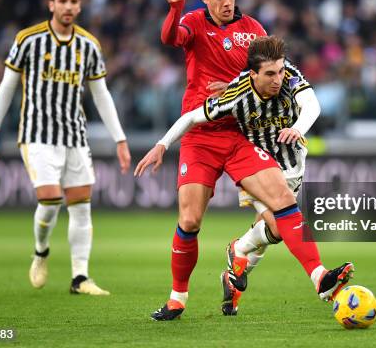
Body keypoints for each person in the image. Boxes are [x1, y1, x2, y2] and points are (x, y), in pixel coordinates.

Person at [136, 36, 354, 319]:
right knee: (279, 221)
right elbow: (191, 118)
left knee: (271, 233)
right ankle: (319, 277)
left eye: (280, 71)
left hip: (291, 163)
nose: (278, 79)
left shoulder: (289, 76)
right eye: (270, 74)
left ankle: (236, 262)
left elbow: (312, 105)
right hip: (256, 163)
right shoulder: (237, 93)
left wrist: (298, 128)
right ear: (254, 74)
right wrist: (162, 144)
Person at [0, 0, 131, 296]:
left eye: (74, 2)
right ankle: (41, 252)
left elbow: (101, 94)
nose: (68, 7)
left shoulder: (89, 45)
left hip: (75, 136)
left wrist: (119, 138)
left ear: (80, 6)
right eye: (62, 1)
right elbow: (8, 85)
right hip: (37, 135)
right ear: (51, 4)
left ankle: (80, 278)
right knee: (50, 201)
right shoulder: (28, 40)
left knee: (80, 207)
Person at [150, 0, 271, 320]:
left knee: (279, 221)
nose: (227, 1)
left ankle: (239, 255)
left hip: (241, 135)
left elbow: (269, 79)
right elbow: (171, 39)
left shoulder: (254, 30)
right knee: (189, 220)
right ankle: (177, 298)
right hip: (200, 136)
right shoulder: (194, 22)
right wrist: (175, 8)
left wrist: (240, 87)